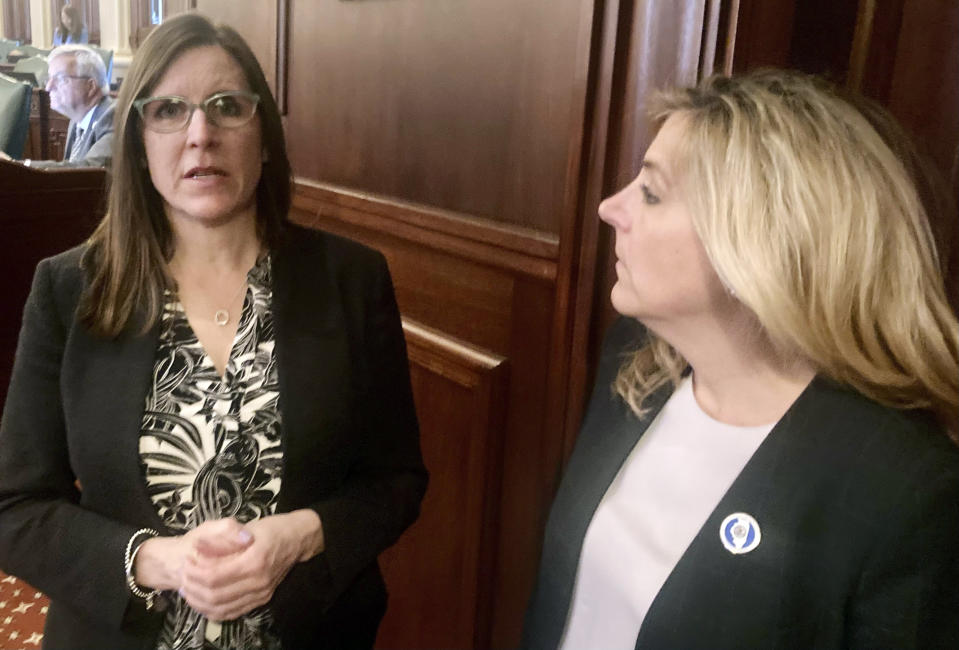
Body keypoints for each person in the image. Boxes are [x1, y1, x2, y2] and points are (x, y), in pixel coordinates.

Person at [0, 12, 426, 650]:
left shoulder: (353, 280)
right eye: (168, 110)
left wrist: (303, 534)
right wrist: (158, 562)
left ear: (263, 133)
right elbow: (16, 508)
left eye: (227, 106)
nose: (200, 135)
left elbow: (396, 481)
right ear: (139, 139)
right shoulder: (70, 291)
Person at [524, 70, 959, 649]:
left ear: (761, 242)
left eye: (651, 192)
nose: (610, 208)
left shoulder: (907, 490)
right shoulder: (638, 366)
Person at [0, 44, 114, 168]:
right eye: (49, 78)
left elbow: (90, 170)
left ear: (90, 86)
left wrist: (15, 166)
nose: (49, 87)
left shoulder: (112, 118)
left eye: (60, 79)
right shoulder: (77, 119)